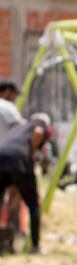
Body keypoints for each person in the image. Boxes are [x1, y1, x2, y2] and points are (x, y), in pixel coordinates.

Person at [0, 113, 51, 254]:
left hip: (1, 155)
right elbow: (39, 132)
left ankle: (5, 241)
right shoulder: (39, 123)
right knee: (34, 205)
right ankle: (35, 246)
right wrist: (31, 153)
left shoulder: (19, 127)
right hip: (19, 158)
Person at [0, 81, 25, 238]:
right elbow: (21, 130)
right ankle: (11, 230)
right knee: (15, 192)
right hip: (7, 159)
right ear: (8, 92)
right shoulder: (8, 108)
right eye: (15, 95)